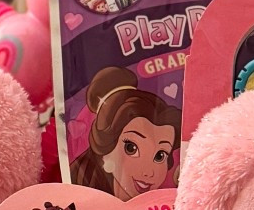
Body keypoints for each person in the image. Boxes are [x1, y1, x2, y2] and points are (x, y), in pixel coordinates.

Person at [73, 68, 179, 199]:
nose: (149, 172)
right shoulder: (81, 202)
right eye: (131, 148)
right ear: (106, 153)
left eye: (160, 156)